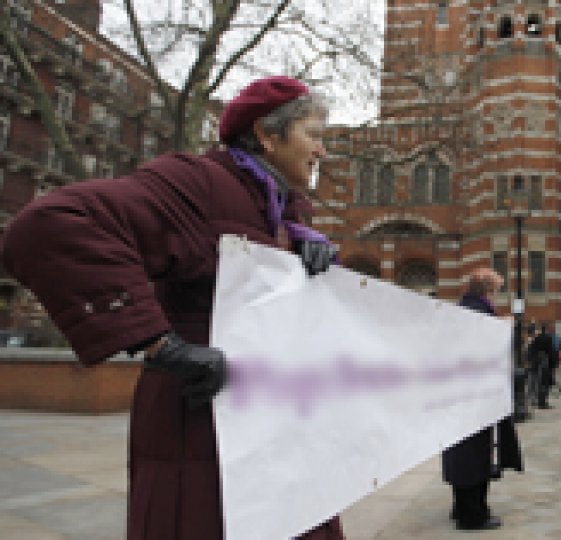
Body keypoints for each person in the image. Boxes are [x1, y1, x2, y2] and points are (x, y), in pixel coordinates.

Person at [1, 76, 342, 538]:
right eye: (314, 135)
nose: (323, 151)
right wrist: (161, 344)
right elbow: (49, 225)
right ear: (267, 133)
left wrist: (305, 263)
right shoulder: (196, 182)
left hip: (277, 425)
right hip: (202, 419)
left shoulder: (288, 215)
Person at [442, 268, 522, 531]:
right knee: (474, 457)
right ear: (487, 291)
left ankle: (460, 506)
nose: (497, 297)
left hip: (457, 397)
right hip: (475, 398)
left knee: (460, 454)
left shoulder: (461, 310)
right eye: (496, 291)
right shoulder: (479, 314)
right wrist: (504, 329)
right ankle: (473, 514)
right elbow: (484, 354)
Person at [527, 324, 559, 409]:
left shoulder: (536, 339)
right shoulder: (548, 338)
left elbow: (532, 351)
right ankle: (543, 402)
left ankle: (538, 400)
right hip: (545, 362)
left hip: (536, 362)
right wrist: (554, 364)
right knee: (544, 383)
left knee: (537, 382)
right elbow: (551, 351)